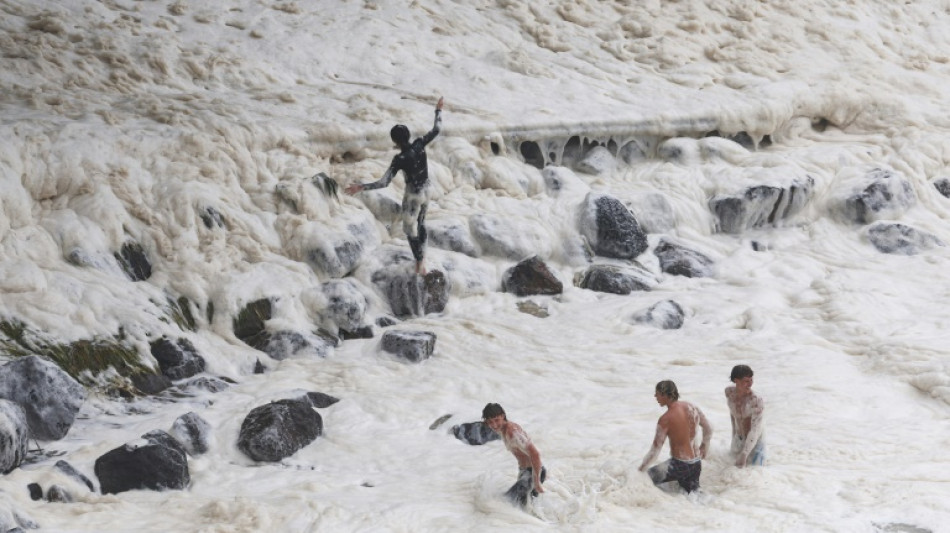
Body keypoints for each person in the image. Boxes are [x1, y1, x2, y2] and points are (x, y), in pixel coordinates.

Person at [345, 97, 444, 275]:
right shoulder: (420, 143)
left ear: (395, 142)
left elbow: (384, 182)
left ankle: (419, 262)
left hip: (413, 195)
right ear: (408, 136)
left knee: (409, 229)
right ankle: (423, 258)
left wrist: (361, 187)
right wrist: (438, 110)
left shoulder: (399, 159)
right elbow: (437, 129)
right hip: (427, 189)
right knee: (421, 224)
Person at [639, 380, 712, 494]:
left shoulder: (665, 419)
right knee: (695, 497)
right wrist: (704, 446)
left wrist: (640, 470)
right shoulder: (691, 407)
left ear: (664, 394)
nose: (655, 396)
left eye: (657, 393)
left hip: (680, 465)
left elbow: (655, 451)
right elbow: (709, 428)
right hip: (696, 464)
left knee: (646, 479)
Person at [482, 403, 545, 507]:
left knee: (505, 503)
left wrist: (536, 481)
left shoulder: (512, 432)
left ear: (503, 416)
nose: (493, 425)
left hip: (531, 473)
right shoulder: (502, 428)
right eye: (490, 422)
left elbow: (535, 454)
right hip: (525, 472)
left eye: (496, 420)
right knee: (526, 508)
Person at [726, 364, 765, 467]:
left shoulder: (756, 400)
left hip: (755, 441)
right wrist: (733, 436)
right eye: (746, 381)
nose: (750, 384)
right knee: (731, 468)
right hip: (738, 438)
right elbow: (733, 415)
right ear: (736, 380)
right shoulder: (729, 392)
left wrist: (744, 454)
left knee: (755, 474)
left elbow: (756, 429)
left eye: (751, 380)